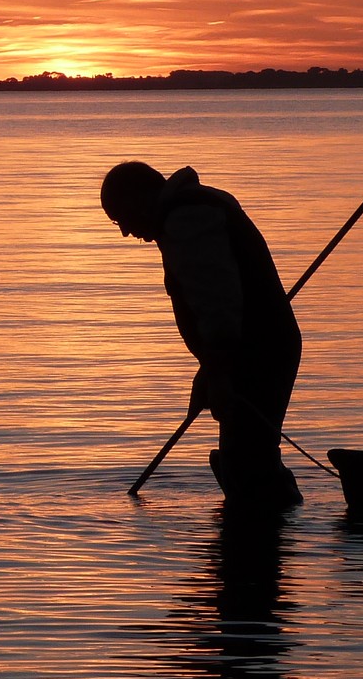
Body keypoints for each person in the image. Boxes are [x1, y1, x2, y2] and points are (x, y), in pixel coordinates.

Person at [101, 161, 302, 506]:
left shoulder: (187, 220)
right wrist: (209, 370)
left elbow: (219, 304)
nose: (125, 232)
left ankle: (260, 535)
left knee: (248, 459)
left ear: (139, 199)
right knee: (250, 453)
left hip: (257, 353)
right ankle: (261, 527)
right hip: (253, 350)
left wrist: (220, 372)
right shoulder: (197, 208)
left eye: (121, 219)